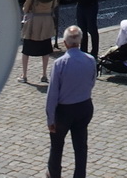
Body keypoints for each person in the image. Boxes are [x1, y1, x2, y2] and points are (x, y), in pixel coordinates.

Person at [45, 25, 96, 178]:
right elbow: (92, 82)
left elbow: (52, 93)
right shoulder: (90, 60)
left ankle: (54, 174)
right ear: (80, 41)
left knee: (57, 146)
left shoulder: (60, 63)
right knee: (81, 147)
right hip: (84, 106)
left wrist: (50, 118)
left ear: (65, 43)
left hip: (64, 111)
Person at [19, 0, 58, 83]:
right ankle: (44, 74)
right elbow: (54, 5)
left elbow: (25, 8)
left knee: (26, 49)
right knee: (45, 49)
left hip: (34, 22)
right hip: (46, 21)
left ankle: (24, 75)